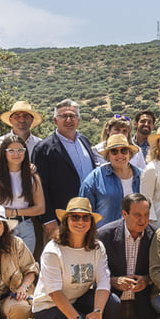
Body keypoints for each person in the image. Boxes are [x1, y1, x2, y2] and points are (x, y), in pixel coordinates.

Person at [31, 197, 123, 319]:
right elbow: (55, 292)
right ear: (66, 221)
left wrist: (97, 313)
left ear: (91, 222)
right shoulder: (53, 251)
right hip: (49, 307)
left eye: (85, 217)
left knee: (112, 303)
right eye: (75, 217)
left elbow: (103, 282)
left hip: (78, 298)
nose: (80, 221)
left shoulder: (97, 247)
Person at [99, 193, 160, 319]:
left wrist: (146, 280)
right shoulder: (104, 235)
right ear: (124, 214)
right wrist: (113, 281)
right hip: (114, 302)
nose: (143, 220)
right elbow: (94, 273)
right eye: (137, 215)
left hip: (141, 301)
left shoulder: (156, 235)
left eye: (146, 215)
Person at [33, 99, 99, 238]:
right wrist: (48, 220)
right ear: (55, 120)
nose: (69, 120)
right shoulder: (44, 148)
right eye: (64, 116)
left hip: (87, 215)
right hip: (60, 218)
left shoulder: (85, 142)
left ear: (79, 120)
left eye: (72, 116)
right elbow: (39, 187)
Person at [0, 134, 44, 255]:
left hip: (26, 227)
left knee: (25, 267)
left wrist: (14, 212)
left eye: (20, 150)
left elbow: (40, 208)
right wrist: (4, 214)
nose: (16, 154)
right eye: (11, 151)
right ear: (4, 153)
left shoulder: (32, 177)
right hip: (1, 227)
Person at [79, 133, 142, 225]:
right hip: (105, 237)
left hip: (137, 235)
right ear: (108, 155)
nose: (119, 155)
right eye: (114, 151)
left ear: (129, 153)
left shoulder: (142, 176)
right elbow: (83, 212)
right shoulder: (94, 179)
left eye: (124, 150)